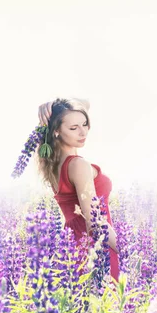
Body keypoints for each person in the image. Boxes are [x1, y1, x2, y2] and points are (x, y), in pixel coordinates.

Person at [36, 98, 120, 282]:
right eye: (73, 128)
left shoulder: (53, 164)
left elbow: (85, 102)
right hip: (98, 247)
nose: (83, 132)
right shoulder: (78, 165)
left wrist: (54, 106)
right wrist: (125, 250)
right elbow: (95, 221)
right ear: (56, 131)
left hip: (72, 247)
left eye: (85, 124)